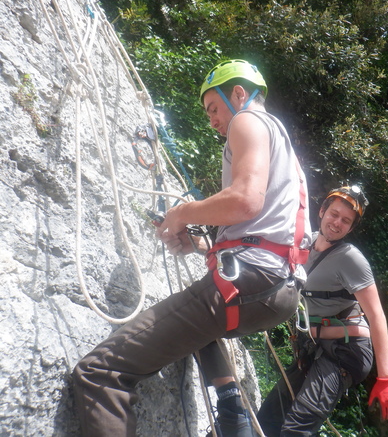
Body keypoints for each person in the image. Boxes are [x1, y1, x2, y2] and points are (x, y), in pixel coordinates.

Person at [73, 59, 311, 437]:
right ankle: (233, 414)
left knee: (100, 372)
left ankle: (232, 413)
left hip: (252, 281)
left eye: (213, 108)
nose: (212, 120)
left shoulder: (247, 120)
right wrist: (199, 244)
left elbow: (246, 200)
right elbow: (262, 227)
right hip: (276, 288)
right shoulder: (280, 142)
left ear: (238, 93)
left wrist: (182, 212)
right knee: (194, 322)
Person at [257, 185, 388, 435]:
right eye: (334, 214)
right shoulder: (306, 241)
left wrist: (386, 378)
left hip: (346, 351)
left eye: (346, 220)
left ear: (351, 228)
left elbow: (376, 315)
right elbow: (267, 257)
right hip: (315, 346)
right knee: (268, 417)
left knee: (295, 429)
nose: (337, 223)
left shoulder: (350, 259)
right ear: (322, 211)